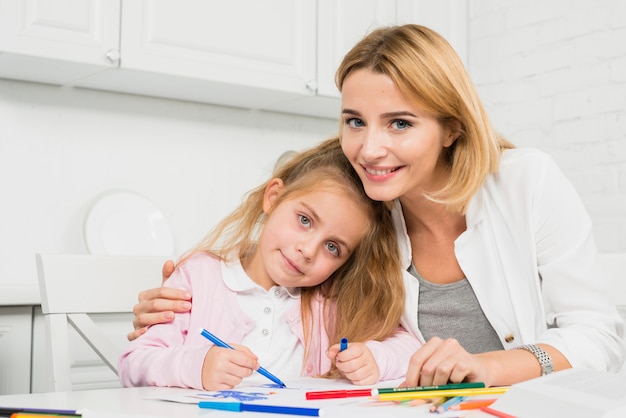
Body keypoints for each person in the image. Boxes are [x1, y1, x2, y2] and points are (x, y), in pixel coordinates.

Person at [128, 24, 625, 387]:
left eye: (400, 123)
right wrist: (181, 307)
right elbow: (279, 270)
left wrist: (488, 366)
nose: (369, 149)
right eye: (354, 120)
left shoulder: (526, 181)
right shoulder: (360, 212)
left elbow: (600, 338)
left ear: (452, 127)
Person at [118, 137, 419, 391]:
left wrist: (374, 357)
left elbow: (410, 347)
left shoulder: (333, 300)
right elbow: (134, 363)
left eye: (333, 247)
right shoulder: (198, 277)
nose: (307, 250)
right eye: (305, 220)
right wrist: (198, 365)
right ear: (273, 197)